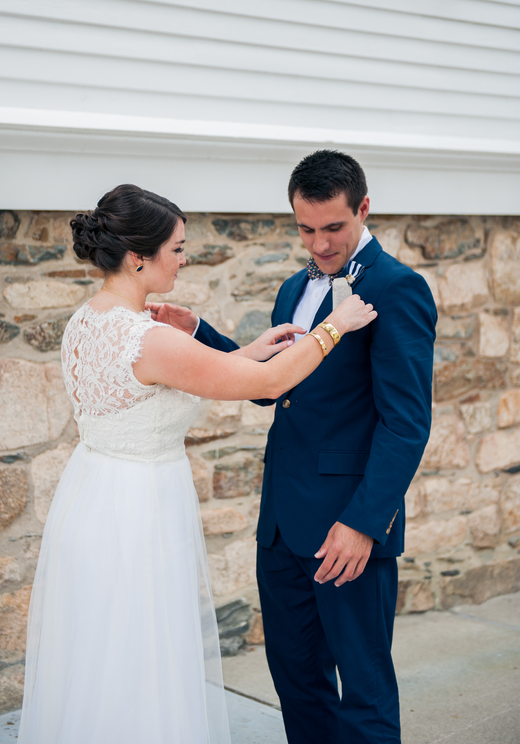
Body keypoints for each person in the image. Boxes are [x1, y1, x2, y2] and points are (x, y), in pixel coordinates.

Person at [17, 182, 376, 744]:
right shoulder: (148, 338)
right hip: (139, 511)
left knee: (103, 651)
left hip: (95, 496)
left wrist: (250, 348)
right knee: (144, 655)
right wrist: (337, 324)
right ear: (140, 257)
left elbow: (190, 375)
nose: (184, 259)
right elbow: (265, 382)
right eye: (177, 248)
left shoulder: (87, 321)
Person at [151, 150, 438, 744]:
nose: (320, 244)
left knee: (364, 692)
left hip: (347, 529)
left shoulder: (398, 288)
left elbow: (406, 423)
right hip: (280, 526)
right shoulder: (292, 289)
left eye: (333, 227)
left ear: (363, 208)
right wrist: (199, 335)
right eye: (306, 229)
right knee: (297, 683)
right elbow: (270, 385)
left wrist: (364, 522)